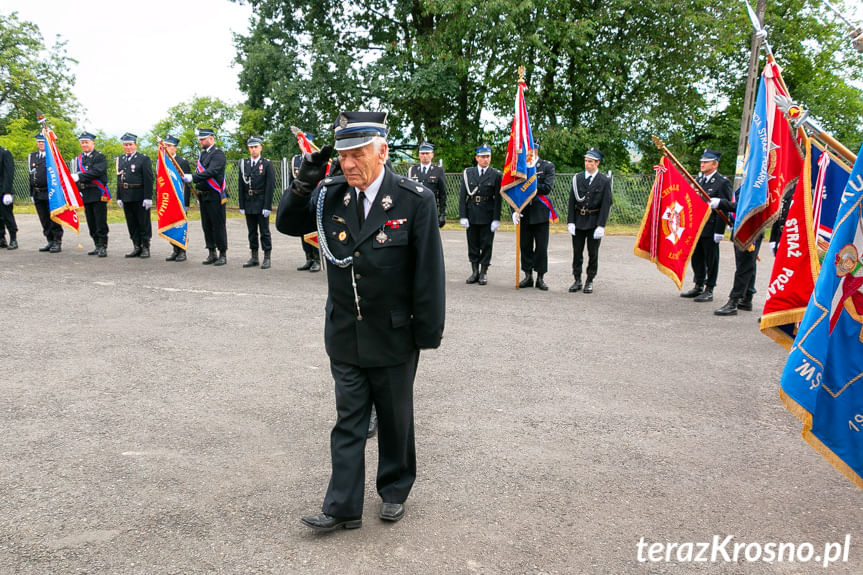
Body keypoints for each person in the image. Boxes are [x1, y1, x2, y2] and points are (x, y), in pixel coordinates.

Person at [277, 110, 445, 532]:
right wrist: (304, 180)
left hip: (393, 333)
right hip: (345, 331)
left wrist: (425, 334)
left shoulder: (413, 199)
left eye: (357, 154)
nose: (349, 164)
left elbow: (429, 274)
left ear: (382, 151)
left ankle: (393, 490)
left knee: (394, 418)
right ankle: (342, 507)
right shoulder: (331, 193)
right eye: (343, 156)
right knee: (349, 420)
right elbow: (287, 223)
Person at [679, 149, 733, 303]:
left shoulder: (722, 182)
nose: (702, 164)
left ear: (715, 164)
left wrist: (719, 231)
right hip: (697, 226)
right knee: (697, 257)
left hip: (711, 227)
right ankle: (698, 284)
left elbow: (724, 207)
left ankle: (709, 288)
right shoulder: (699, 181)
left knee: (711, 259)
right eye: (702, 161)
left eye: (706, 162)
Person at [567, 147, 612, 294]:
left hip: (593, 221)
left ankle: (589, 280)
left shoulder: (604, 181)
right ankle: (577, 279)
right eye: (586, 161)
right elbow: (572, 201)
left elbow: (606, 204)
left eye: (590, 161)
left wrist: (601, 225)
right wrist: (570, 222)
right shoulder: (578, 178)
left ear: (597, 163)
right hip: (579, 219)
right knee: (577, 252)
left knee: (593, 253)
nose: (587, 164)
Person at [458, 145, 502, 285]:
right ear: (477, 158)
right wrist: (463, 216)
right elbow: (462, 196)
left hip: (488, 214)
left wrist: (496, 218)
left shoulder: (496, 175)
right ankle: (474, 272)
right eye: (482, 157)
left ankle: (483, 272)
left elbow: (498, 199)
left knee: (487, 244)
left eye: (487, 156)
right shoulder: (468, 173)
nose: (485, 159)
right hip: (471, 213)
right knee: (473, 244)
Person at [183, 128, 228, 266]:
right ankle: (211, 252)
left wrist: (194, 177)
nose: (201, 141)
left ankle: (222, 253)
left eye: (203, 139)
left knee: (218, 225)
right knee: (206, 225)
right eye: (200, 139)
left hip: (215, 195)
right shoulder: (202, 155)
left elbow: (212, 171)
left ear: (211, 139)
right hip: (203, 195)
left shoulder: (218, 154)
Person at [513, 147, 556, 290]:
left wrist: (529, 183)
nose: (527, 154)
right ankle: (528, 276)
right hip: (524, 212)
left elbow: (547, 188)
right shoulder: (520, 168)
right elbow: (513, 190)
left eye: (530, 150)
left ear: (535, 151)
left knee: (541, 247)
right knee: (525, 246)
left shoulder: (547, 166)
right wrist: (514, 210)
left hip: (540, 213)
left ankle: (540, 277)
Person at [238, 136, 275, 269]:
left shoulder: (266, 164)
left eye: (255, 147)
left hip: (261, 201)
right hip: (249, 202)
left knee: (264, 231)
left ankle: (267, 257)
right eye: (251, 147)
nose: (253, 150)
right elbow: (241, 186)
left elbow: (270, 186)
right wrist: (241, 205)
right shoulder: (244, 164)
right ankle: (254, 257)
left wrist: (267, 206)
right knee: (251, 231)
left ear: (260, 148)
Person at [116, 133, 154, 258]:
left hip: (139, 195)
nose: (128, 147)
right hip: (126, 195)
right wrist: (119, 196)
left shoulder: (143, 159)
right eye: (125, 145)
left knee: (143, 222)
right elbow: (119, 179)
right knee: (131, 223)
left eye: (130, 144)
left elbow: (148, 179)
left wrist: (148, 197)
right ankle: (136, 246)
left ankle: (145, 247)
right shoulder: (121, 159)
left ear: (135, 145)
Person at [71, 132, 109, 257]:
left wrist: (79, 176)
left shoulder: (99, 157)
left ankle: (103, 246)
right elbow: (76, 178)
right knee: (91, 221)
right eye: (82, 142)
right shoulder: (79, 159)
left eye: (87, 142)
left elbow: (96, 172)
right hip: (86, 193)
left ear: (93, 143)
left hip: (98, 193)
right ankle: (96, 245)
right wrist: (78, 191)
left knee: (100, 221)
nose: (84, 144)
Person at [288, 134, 322, 272]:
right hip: (301, 200)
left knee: (313, 229)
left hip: (313, 199)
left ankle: (317, 259)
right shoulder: (296, 160)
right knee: (303, 229)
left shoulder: (317, 159)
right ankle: (308, 257)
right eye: (301, 142)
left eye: (305, 142)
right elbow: (292, 181)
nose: (302, 145)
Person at [30, 133, 63, 253]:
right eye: (39, 142)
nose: (40, 144)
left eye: (43, 142)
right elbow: (31, 175)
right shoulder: (33, 156)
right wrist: (31, 193)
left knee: (53, 217)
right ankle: (49, 240)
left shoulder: (52, 156)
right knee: (43, 218)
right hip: (37, 192)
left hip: (50, 192)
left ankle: (57, 241)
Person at [163, 135, 190, 262]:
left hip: (180, 200)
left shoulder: (182, 162)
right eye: (165, 146)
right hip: (168, 200)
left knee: (180, 226)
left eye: (169, 146)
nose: (166, 148)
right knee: (170, 226)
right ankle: (174, 249)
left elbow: (187, 185)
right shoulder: (162, 162)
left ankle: (182, 251)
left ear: (175, 148)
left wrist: (186, 203)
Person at [408, 142, 447, 228]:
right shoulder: (413, 170)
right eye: (422, 153)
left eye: (427, 153)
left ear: (432, 155)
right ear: (419, 155)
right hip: (416, 210)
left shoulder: (438, 171)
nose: (425, 156)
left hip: (431, 209)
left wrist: (442, 213)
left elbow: (442, 194)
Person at [0, 143, 17, 250]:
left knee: (7, 216)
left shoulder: (5, 153)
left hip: (3, 190)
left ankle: (13, 239)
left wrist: (6, 192)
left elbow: (8, 174)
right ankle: (1, 238)